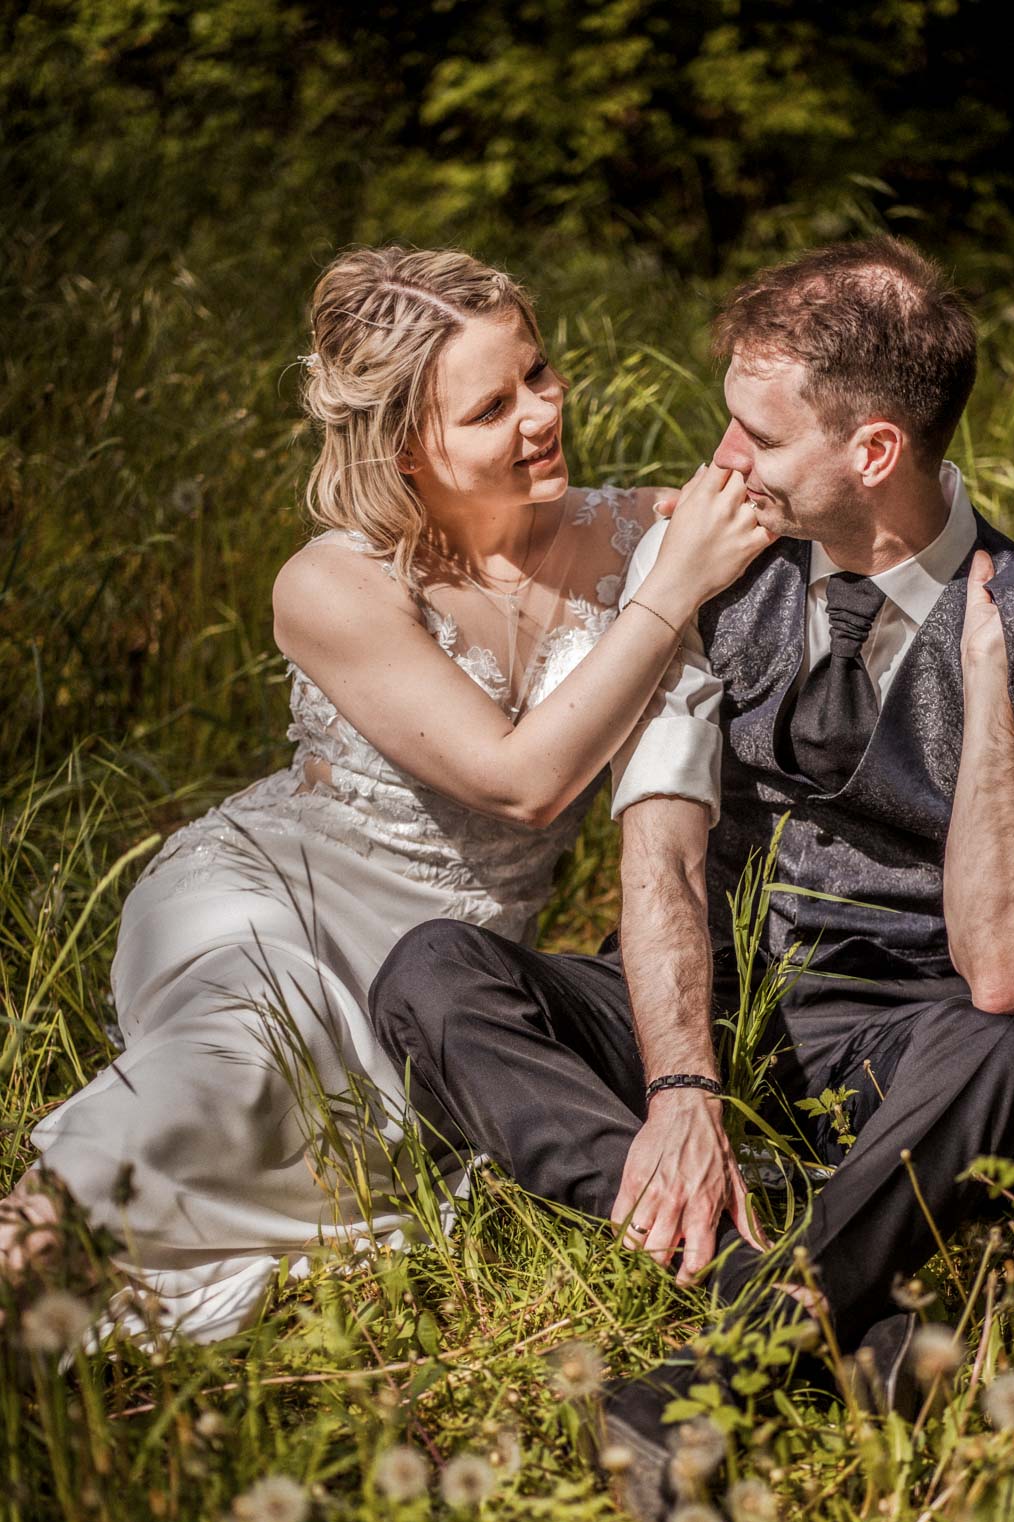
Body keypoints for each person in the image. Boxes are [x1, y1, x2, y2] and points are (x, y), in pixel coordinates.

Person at [370, 235, 1014, 1522]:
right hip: (735, 1009)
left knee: (1007, 1052)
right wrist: (681, 1089)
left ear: (874, 454)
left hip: (917, 1046)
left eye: (757, 438)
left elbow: (1013, 974)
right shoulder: (735, 572)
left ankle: (718, 1365)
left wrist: (995, 680)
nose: (723, 461)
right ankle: (809, 1270)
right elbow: (662, 853)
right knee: (431, 972)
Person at [0, 245, 771, 1342]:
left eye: (540, 374)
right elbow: (520, 784)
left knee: (346, 1118)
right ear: (405, 445)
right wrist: (676, 586)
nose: (542, 414)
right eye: (491, 406)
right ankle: (26, 1239)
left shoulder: (628, 532)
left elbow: (818, 475)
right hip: (266, 899)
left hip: (442, 964)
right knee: (232, 1063)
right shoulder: (333, 582)